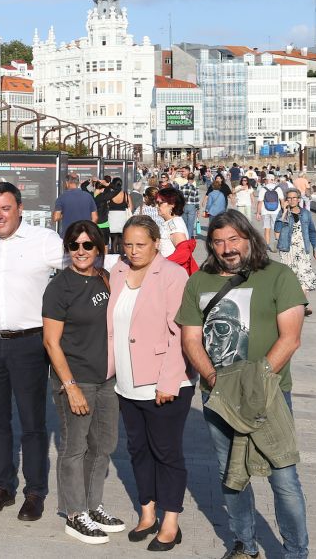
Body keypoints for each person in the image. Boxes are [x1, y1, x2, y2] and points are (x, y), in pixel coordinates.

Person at [178, 210, 309, 559]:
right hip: (218, 397)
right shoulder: (199, 282)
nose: (227, 248)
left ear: (249, 238)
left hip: (270, 395)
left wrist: (255, 382)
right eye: (219, 241)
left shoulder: (278, 275)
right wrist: (213, 379)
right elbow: (191, 339)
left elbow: (291, 338)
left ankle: (296, 552)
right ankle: (244, 545)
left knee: (284, 479)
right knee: (231, 476)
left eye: (234, 239)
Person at [0, 181, 64, 521]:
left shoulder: (45, 241)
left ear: (20, 208)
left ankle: (35, 492)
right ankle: (3, 486)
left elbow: (78, 268)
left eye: (5, 208)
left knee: (33, 423)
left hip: (30, 343)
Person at [108, 215, 194, 551]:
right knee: (137, 450)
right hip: (127, 382)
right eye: (127, 244)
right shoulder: (117, 270)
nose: (133, 250)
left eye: (140, 244)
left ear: (157, 242)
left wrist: (169, 380)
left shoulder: (172, 275)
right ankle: (147, 512)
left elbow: (181, 332)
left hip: (164, 382)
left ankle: (170, 521)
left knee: (166, 452)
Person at [42, 220, 124, 544]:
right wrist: (71, 386)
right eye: (74, 245)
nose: (80, 251)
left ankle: (93, 504)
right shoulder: (59, 287)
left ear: (99, 248)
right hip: (77, 379)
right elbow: (51, 342)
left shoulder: (105, 278)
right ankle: (75, 514)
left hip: (107, 379)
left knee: (104, 445)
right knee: (75, 447)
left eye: (87, 245)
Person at [274, 188, 316, 293]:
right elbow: (277, 230)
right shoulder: (282, 213)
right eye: (289, 198)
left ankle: (303, 306)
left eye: (294, 198)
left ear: (299, 199)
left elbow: (312, 231)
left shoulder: (306, 213)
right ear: (286, 200)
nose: (292, 200)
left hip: (302, 250)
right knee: (290, 280)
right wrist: (284, 211)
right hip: (287, 251)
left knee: (304, 280)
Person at [155, 187, 188, 259]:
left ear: (172, 204)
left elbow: (183, 254)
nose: (156, 206)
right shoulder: (170, 222)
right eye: (156, 203)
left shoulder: (175, 225)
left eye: (160, 203)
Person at [257, 174, 286, 249]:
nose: (265, 181)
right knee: (276, 228)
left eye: (266, 179)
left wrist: (258, 213)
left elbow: (260, 202)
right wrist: (284, 211)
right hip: (276, 211)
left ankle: (267, 245)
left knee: (267, 228)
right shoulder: (278, 188)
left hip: (265, 211)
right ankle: (278, 243)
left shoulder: (263, 189)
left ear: (269, 180)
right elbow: (282, 200)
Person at [105, 178, 132, 251]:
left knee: (114, 239)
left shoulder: (111, 195)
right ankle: (121, 256)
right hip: (122, 217)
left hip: (112, 217)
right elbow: (130, 208)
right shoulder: (126, 194)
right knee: (121, 239)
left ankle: (113, 255)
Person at [182, 173, 200, 237]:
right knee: (190, 224)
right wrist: (198, 209)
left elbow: (180, 198)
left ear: (187, 178)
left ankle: (185, 237)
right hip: (192, 206)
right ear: (193, 179)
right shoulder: (195, 188)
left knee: (185, 224)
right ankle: (189, 238)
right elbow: (197, 199)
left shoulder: (182, 187)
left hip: (184, 206)